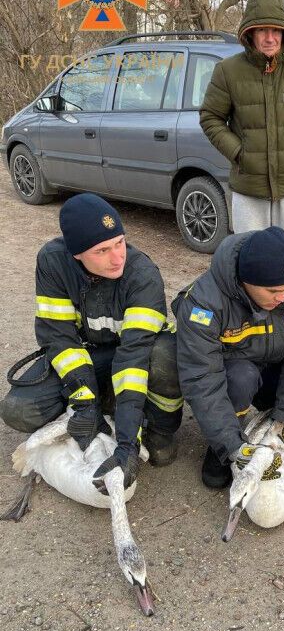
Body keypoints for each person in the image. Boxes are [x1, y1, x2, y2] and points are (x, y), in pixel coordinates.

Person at [0, 193, 183, 488]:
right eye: (102, 251)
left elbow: (133, 361)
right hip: (88, 355)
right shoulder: (52, 262)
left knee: (164, 356)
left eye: (120, 242)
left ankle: (158, 429)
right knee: (18, 411)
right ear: (76, 254)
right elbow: (58, 339)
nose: (117, 257)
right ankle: (99, 404)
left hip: (135, 355)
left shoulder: (142, 276)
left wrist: (127, 445)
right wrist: (85, 403)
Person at [172, 226, 284, 489]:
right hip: (235, 376)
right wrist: (230, 447)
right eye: (274, 292)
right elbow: (202, 379)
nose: (283, 298)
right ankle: (226, 442)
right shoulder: (203, 304)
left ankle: (273, 422)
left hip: (272, 368)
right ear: (247, 282)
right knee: (241, 378)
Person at [199, 0, 284, 253]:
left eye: (275, 30)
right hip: (248, 187)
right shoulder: (228, 71)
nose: (269, 38)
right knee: (249, 260)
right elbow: (210, 117)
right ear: (250, 34)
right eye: (262, 30)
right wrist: (239, 153)